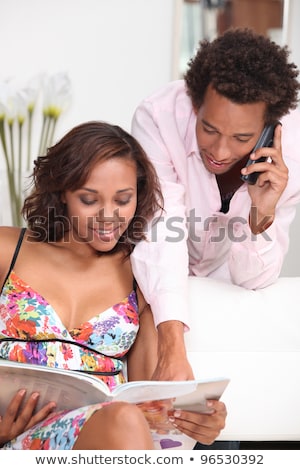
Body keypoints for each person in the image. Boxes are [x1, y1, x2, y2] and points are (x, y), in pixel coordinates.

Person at [0, 121, 227, 450]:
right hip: (14, 442)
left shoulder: (141, 275)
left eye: (123, 199)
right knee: (123, 420)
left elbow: (155, 405)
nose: (108, 216)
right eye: (89, 200)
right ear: (63, 192)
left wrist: (198, 421)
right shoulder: (9, 250)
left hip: (103, 440)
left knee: (124, 418)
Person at [130, 28, 300, 449]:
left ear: (268, 128)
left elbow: (254, 280)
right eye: (208, 128)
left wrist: (261, 212)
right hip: (156, 293)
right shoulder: (159, 116)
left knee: (224, 435)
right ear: (194, 104)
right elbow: (159, 230)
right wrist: (172, 345)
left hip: (226, 305)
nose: (221, 150)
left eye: (242, 138)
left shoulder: (292, 150)